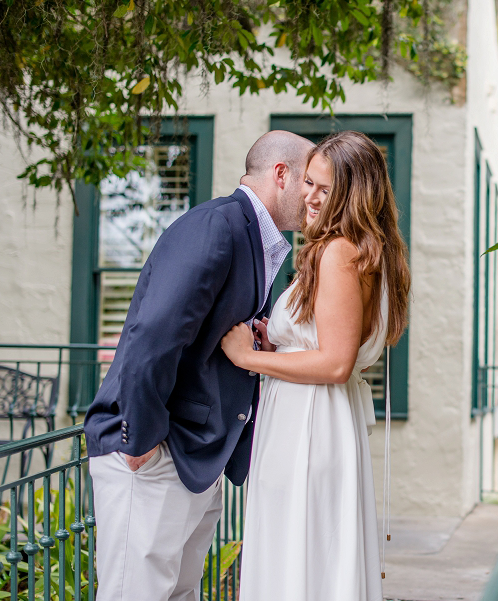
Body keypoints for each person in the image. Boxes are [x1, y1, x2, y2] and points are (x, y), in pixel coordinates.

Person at [83, 130, 314, 601]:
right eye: (310, 181)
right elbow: (153, 334)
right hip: (153, 454)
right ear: (281, 175)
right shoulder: (217, 227)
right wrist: (142, 439)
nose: (316, 196)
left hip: (197, 459)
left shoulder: (259, 241)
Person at [220, 130, 411, 601]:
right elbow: (325, 341)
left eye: (326, 190)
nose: (310, 197)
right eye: (308, 183)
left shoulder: (339, 252)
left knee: (300, 558)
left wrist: (249, 357)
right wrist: (279, 344)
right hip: (314, 418)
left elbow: (335, 363)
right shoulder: (357, 249)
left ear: (353, 196)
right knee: (306, 556)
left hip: (310, 424)